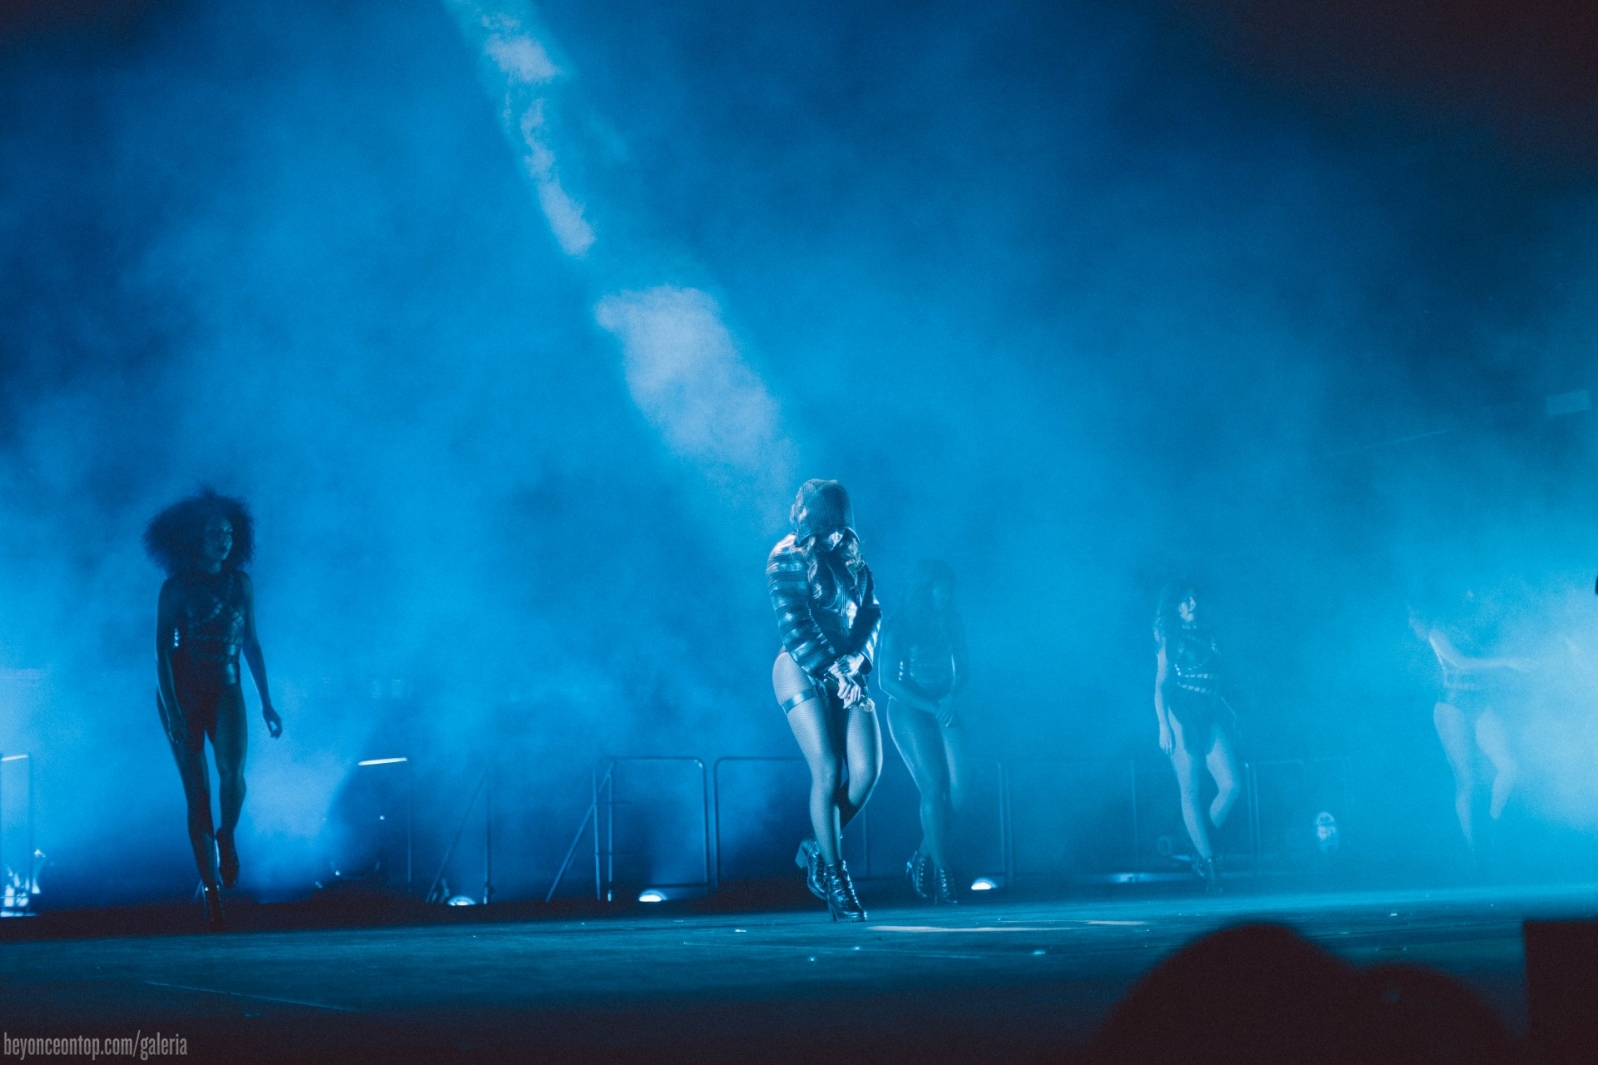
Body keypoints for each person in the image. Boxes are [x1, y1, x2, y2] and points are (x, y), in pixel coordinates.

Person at [145, 489, 281, 929]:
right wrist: (174, 710)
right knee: (197, 795)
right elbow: (162, 653)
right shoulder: (175, 589)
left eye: (227, 532)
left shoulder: (241, 583)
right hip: (183, 691)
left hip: (228, 687)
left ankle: (228, 835)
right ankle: (214, 897)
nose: (222, 540)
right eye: (212, 533)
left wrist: (266, 702)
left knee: (233, 776)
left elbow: (252, 644)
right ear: (194, 538)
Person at [767, 479, 882, 921]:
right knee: (829, 768)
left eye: (842, 525)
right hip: (801, 665)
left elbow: (872, 614)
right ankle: (837, 878)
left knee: (868, 773)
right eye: (828, 526)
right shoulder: (785, 557)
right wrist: (836, 669)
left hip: (847, 672)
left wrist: (856, 662)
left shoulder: (852, 561)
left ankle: (817, 847)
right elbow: (795, 625)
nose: (837, 534)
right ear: (811, 522)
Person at [879, 559, 970, 904]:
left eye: (951, 588)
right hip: (910, 710)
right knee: (933, 787)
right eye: (942, 587)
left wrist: (951, 694)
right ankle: (943, 873)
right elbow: (887, 681)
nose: (948, 594)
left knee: (961, 787)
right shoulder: (900, 624)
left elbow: (964, 668)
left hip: (942, 705)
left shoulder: (952, 620)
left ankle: (922, 856)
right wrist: (932, 706)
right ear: (926, 588)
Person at [1409, 605, 1529, 854]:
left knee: (1509, 766)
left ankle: (1494, 828)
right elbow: (1461, 662)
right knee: (1467, 782)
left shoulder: (1473, 627)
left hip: (1480, 703)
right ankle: (1473, 852)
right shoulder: (1437, 632)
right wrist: (1506, 661)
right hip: (1452, 705)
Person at [1153, 581, 1240, 891]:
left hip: (1210, 713)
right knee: (1190, 790)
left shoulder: (1210, 633)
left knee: (1231, 786)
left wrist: (1232, 711)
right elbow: (1161, 686)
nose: (1191, 604)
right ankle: (1212, 866)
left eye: (1194, 598)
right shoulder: (1171, 638)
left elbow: (1220, 680)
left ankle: (1198, 845)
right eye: (1184, 600)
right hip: (1182, 715)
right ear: (1175, 606)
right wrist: (1164, 725)